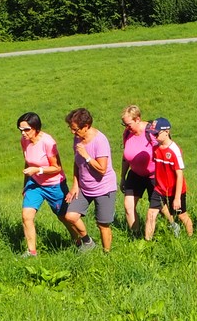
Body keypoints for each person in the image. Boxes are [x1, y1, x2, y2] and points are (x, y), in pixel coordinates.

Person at [64, 107, 117, 252]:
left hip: (104, 188)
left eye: (75, 129)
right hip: (84, 187)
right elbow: (77, 163)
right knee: (70, 216)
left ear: (86, 126)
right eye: (71, 128)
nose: (72, 132)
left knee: (103, 225)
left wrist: (86, 156)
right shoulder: (78, 138)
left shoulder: (100, 141)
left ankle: (107, 254)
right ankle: (88, 242)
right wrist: (75, 185)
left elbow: (102, 169)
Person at [18, 111, 70, 256]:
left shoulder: (48, 142)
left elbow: (57, 168)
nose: (23, 133)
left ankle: (79, 241)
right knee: (26, 216)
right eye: (20, 130)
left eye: (26, 129)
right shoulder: (24, 141)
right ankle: (31, 252)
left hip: (54, 184)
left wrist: (38, 170)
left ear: (36, 127)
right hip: (35, 183)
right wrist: (25, 185)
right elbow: (28, 163)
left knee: (64, 216)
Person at [146, 118, 194, 240]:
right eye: (153, 134)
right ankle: (147, 244)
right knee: (151, 214)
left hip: (175, 190)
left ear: (166, 132)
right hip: (159, 189)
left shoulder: (174, 150)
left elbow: (179, 175)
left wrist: (177, 198)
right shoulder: (155, 148)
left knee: (182, 216)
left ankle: (191, 238)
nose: (154, 136)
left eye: (156, 133)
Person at [119, 105, 157, 235]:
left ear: (137, 119)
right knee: (128, 206)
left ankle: (172, 224)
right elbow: (125, 158)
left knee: (161, 207)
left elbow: (162, 151)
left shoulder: (151, 132)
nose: (126, 127)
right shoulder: (127, 134)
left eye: (128, 124)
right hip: (135, 174)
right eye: (124, 124)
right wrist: (122, 177)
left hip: (154, 175)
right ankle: (136, 236)